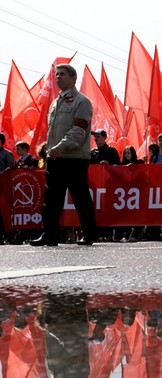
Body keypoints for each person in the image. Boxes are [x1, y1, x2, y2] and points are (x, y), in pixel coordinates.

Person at [28, 64, 97, 247]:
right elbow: (52, 131)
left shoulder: (81, 101)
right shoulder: (54, 102)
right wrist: (49, 150)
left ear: (73, 78)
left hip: (75, 158)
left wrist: (60, 147)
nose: (58, 77)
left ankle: (89, 234)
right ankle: (49, 235)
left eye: (63, 74)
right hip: (55, 158)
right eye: (57, 74)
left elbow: (79, 130)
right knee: (51, 200)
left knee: (80, 197)